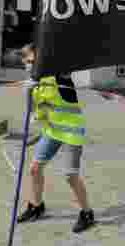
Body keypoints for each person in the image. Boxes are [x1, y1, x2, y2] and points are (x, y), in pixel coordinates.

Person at [16, 43, 96, 233]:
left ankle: (87, 213)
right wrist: (27, 91)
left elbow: (70, 60)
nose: (28, 66)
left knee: (70, 175)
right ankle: (36, 206)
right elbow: (38, 111)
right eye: (25, 63)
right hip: (52, 131)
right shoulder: (34, 84)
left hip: (71, 132)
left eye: (32, 62)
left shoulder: (60, 74)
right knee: (35, 169)